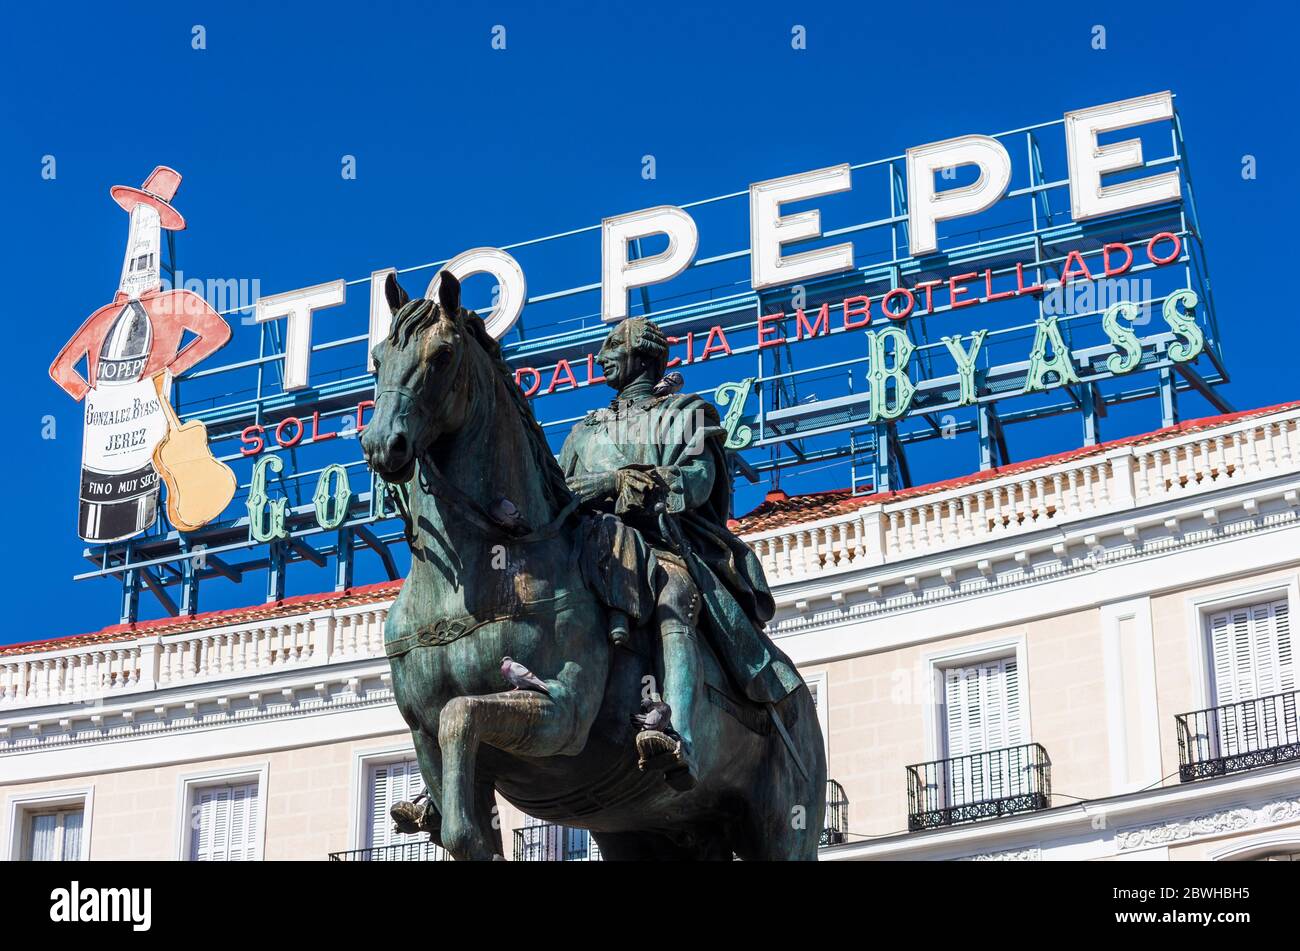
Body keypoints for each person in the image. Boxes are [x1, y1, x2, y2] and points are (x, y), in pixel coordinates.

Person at [559, 317, 803, 790]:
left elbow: (697, 478)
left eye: (612, 347)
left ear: (643, 356)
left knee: (672, 593)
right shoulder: (581, 433)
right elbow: (555, 493)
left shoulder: (685, 413)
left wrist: (633, 486)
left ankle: (677, 735)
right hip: (587, 548)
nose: (601, 356)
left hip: (660, 542)